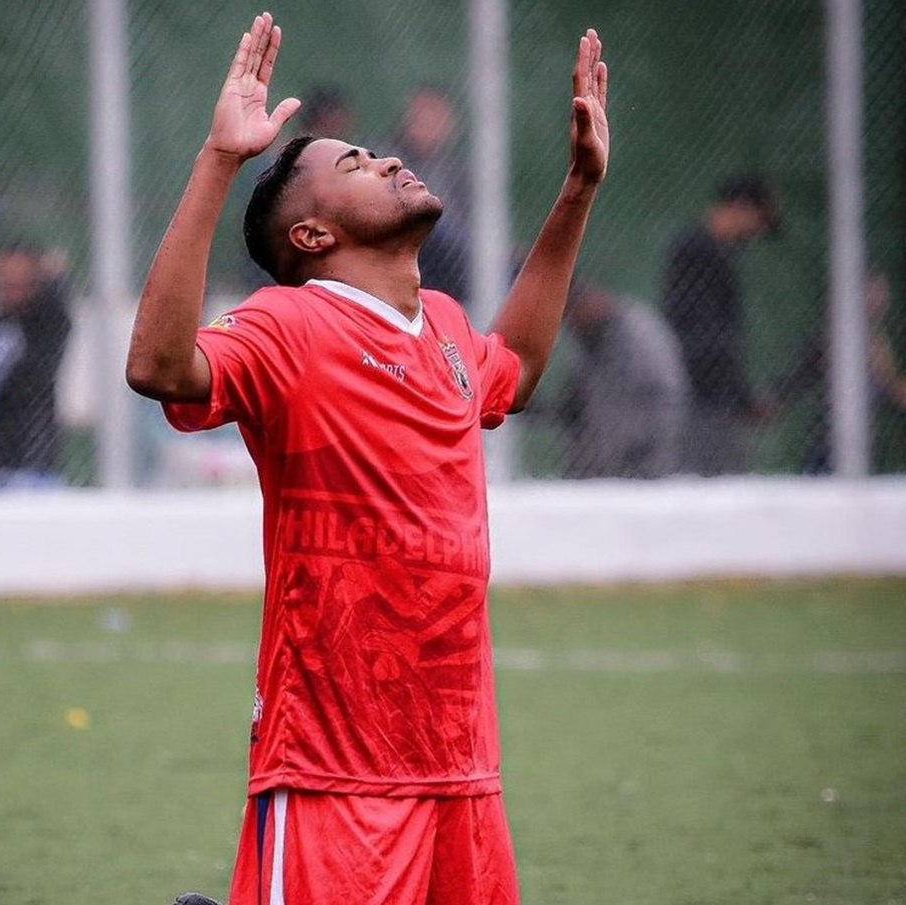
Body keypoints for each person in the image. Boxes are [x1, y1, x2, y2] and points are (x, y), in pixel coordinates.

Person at [125, 13, 608, 905]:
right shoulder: (291, 323)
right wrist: (219, 162)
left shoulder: (452, 330)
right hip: (333, 773)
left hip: (463, 772)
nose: (386, 159)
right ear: (311, 238)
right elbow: (159, 366)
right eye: (352, 165)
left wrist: (578, 188)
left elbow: (523, 368)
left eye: (374, 154)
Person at [659, 174, 780, 476]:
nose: (757, 232)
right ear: (741, 207)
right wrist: (740, 392)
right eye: (759, 220)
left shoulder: (720, 252)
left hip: (716, 390)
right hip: (699, 389)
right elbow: (709, 334)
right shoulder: (696, 249)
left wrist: (741, 394)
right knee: (713, 473)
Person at [554, 278, 688, 478]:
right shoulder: (587, 339)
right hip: (607, 455)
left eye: (571, 315)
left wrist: (647, 440)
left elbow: (665, 390)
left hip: (646, 448)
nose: (571, 325)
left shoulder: (637, 332)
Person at [775, 270, 906, 474]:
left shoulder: (877, 338)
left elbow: (890, 387)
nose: (883, 294)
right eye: (875, 288)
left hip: (861, 440)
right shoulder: (840, 338)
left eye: (882, 288)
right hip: (833, 442)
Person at [0, 243, 71, 488]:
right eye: (3, 274)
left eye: (18, 275)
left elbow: (55, 313)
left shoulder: (45, 326)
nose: (9, 282)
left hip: (31, 461)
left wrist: (55, 281)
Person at [393, 85, 470, 301]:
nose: (428, 125)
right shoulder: (389, 158)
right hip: (412, 247)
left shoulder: (457, 169)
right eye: (422, 117)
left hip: (460, 259)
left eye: (436, 117)